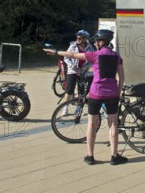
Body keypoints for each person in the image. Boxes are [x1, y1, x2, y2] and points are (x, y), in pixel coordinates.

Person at [44, 29, 127, 166]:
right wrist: (117, 94)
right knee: (113, 124)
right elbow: (122, 77)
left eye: (96, 41)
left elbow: (72, 54)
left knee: (91, 124)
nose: (95, 43)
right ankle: (114, 156)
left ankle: (90, 156)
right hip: (112, 94)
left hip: (95, 94)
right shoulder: (116, 57)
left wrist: (56, 52)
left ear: (101, 42)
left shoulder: (94, 55)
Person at [61, 30, 94, 115]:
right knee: (69, 90)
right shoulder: (73, 46)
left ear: (85, 39)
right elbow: (66, 58)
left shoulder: (90, 47)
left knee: (82, 91)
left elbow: (92, 60)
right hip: (72, 70)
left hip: (83, 71)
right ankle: (65, 108)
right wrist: (72, 66)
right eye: (77, 37)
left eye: (80, 37)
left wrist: (85, 67)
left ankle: (78, 109)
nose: (78, 39)